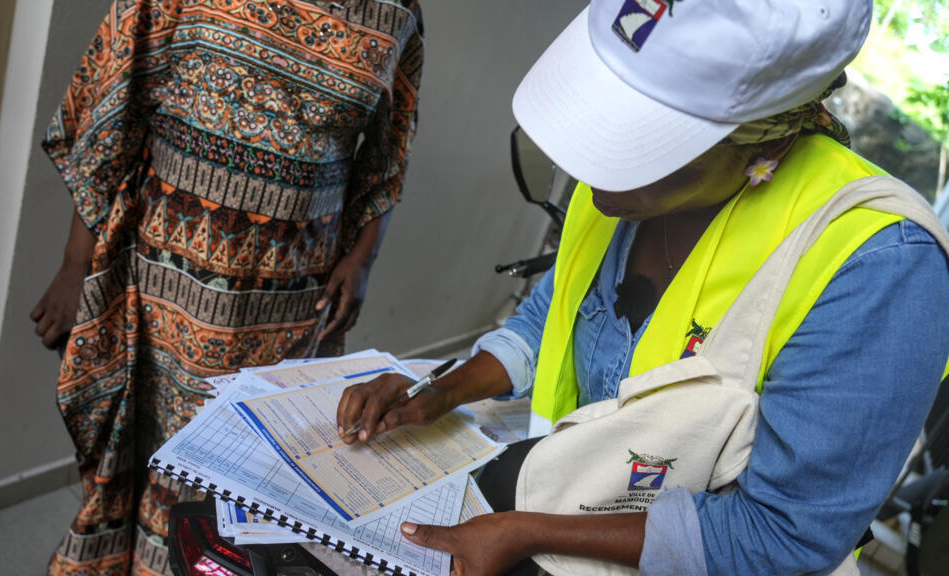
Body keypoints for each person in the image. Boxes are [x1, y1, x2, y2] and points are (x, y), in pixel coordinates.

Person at [336, 0, 949, 574]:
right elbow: (551, 319)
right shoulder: (617, 194)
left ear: (768, 139)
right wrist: (439, 392)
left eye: (639, 139)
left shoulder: (881, 265)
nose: (592, 164)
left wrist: (528, 532)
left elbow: (783, 534)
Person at [30, 1, 423, 574]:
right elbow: (112, 97)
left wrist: (363, 259)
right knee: (147, 455)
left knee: (241, 485)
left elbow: (391, 148)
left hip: (291, 301)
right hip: (167, 284)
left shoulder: (398, 11)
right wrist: (74, 262)